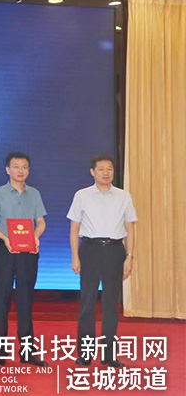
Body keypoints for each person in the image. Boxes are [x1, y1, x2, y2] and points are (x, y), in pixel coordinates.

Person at [67, 154, 136, 368]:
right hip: (90, 250)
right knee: (87, 303)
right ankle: (85, 354)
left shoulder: (123, 196)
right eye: (101, 169)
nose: (106, 173)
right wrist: (75, 256)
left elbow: (130, 227)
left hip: (115, 251)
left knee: (111, 305)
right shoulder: (82, 195)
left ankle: (109, 355)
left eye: (109, 169)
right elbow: (74, 228)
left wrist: (129, 256)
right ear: (92, 172)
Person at [0, 152, 48, 366]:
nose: (20, 171)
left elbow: (41, 222)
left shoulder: (34, 194)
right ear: (7, 169)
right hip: (5, 251)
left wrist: (36, 236)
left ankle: (28, 352)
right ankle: (0, 353)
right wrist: (5, 238)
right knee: (1, 301)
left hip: (29, 252)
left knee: (25, 301)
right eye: (16, 166)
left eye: (24, 167)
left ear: (28, 170)